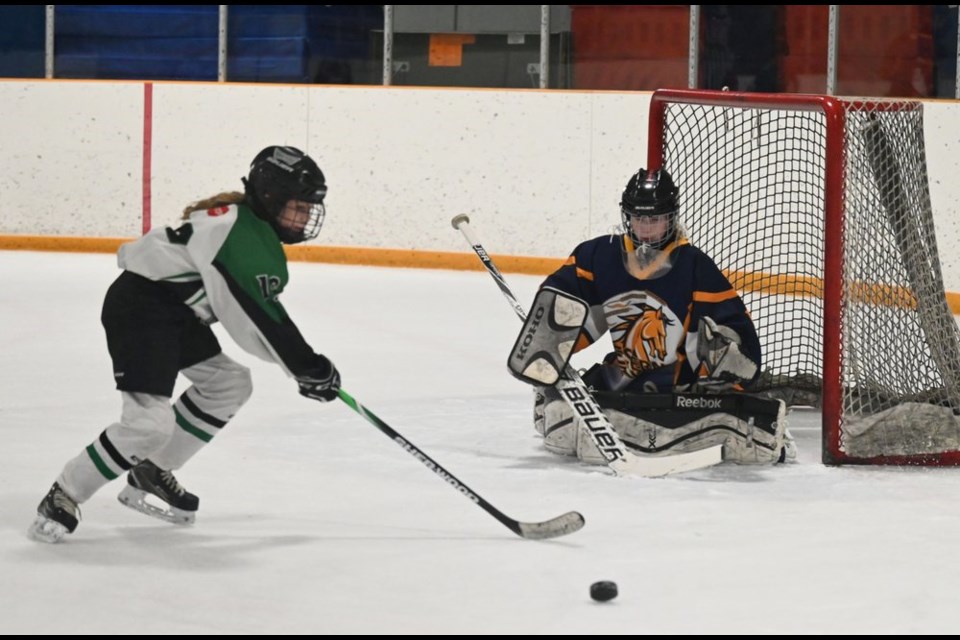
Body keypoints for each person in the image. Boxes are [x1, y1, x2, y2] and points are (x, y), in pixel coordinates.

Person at [28, 145, 342, 543]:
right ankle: (65, 493)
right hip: (141, 309)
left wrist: (305, 367)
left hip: (174, 311)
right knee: (147, 425)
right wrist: (308, 367)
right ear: (270, 196)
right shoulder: (238, 235)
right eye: (299, 206)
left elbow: (256, 313)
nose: (305, 217)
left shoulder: (248, 227)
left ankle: (152, 471)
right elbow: (258, 318)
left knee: (229, 383)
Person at [507, 167, 793, 465]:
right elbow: (561, 303)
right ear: (626, 216)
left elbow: (738, 338)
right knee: (558, 411)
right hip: (620, 385)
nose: (644, 227)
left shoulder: (695, 266)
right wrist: (548, 346)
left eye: (654, 219)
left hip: (681, 393)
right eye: (638, 217)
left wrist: (724, 358)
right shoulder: (598, 256)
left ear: (671, 218)